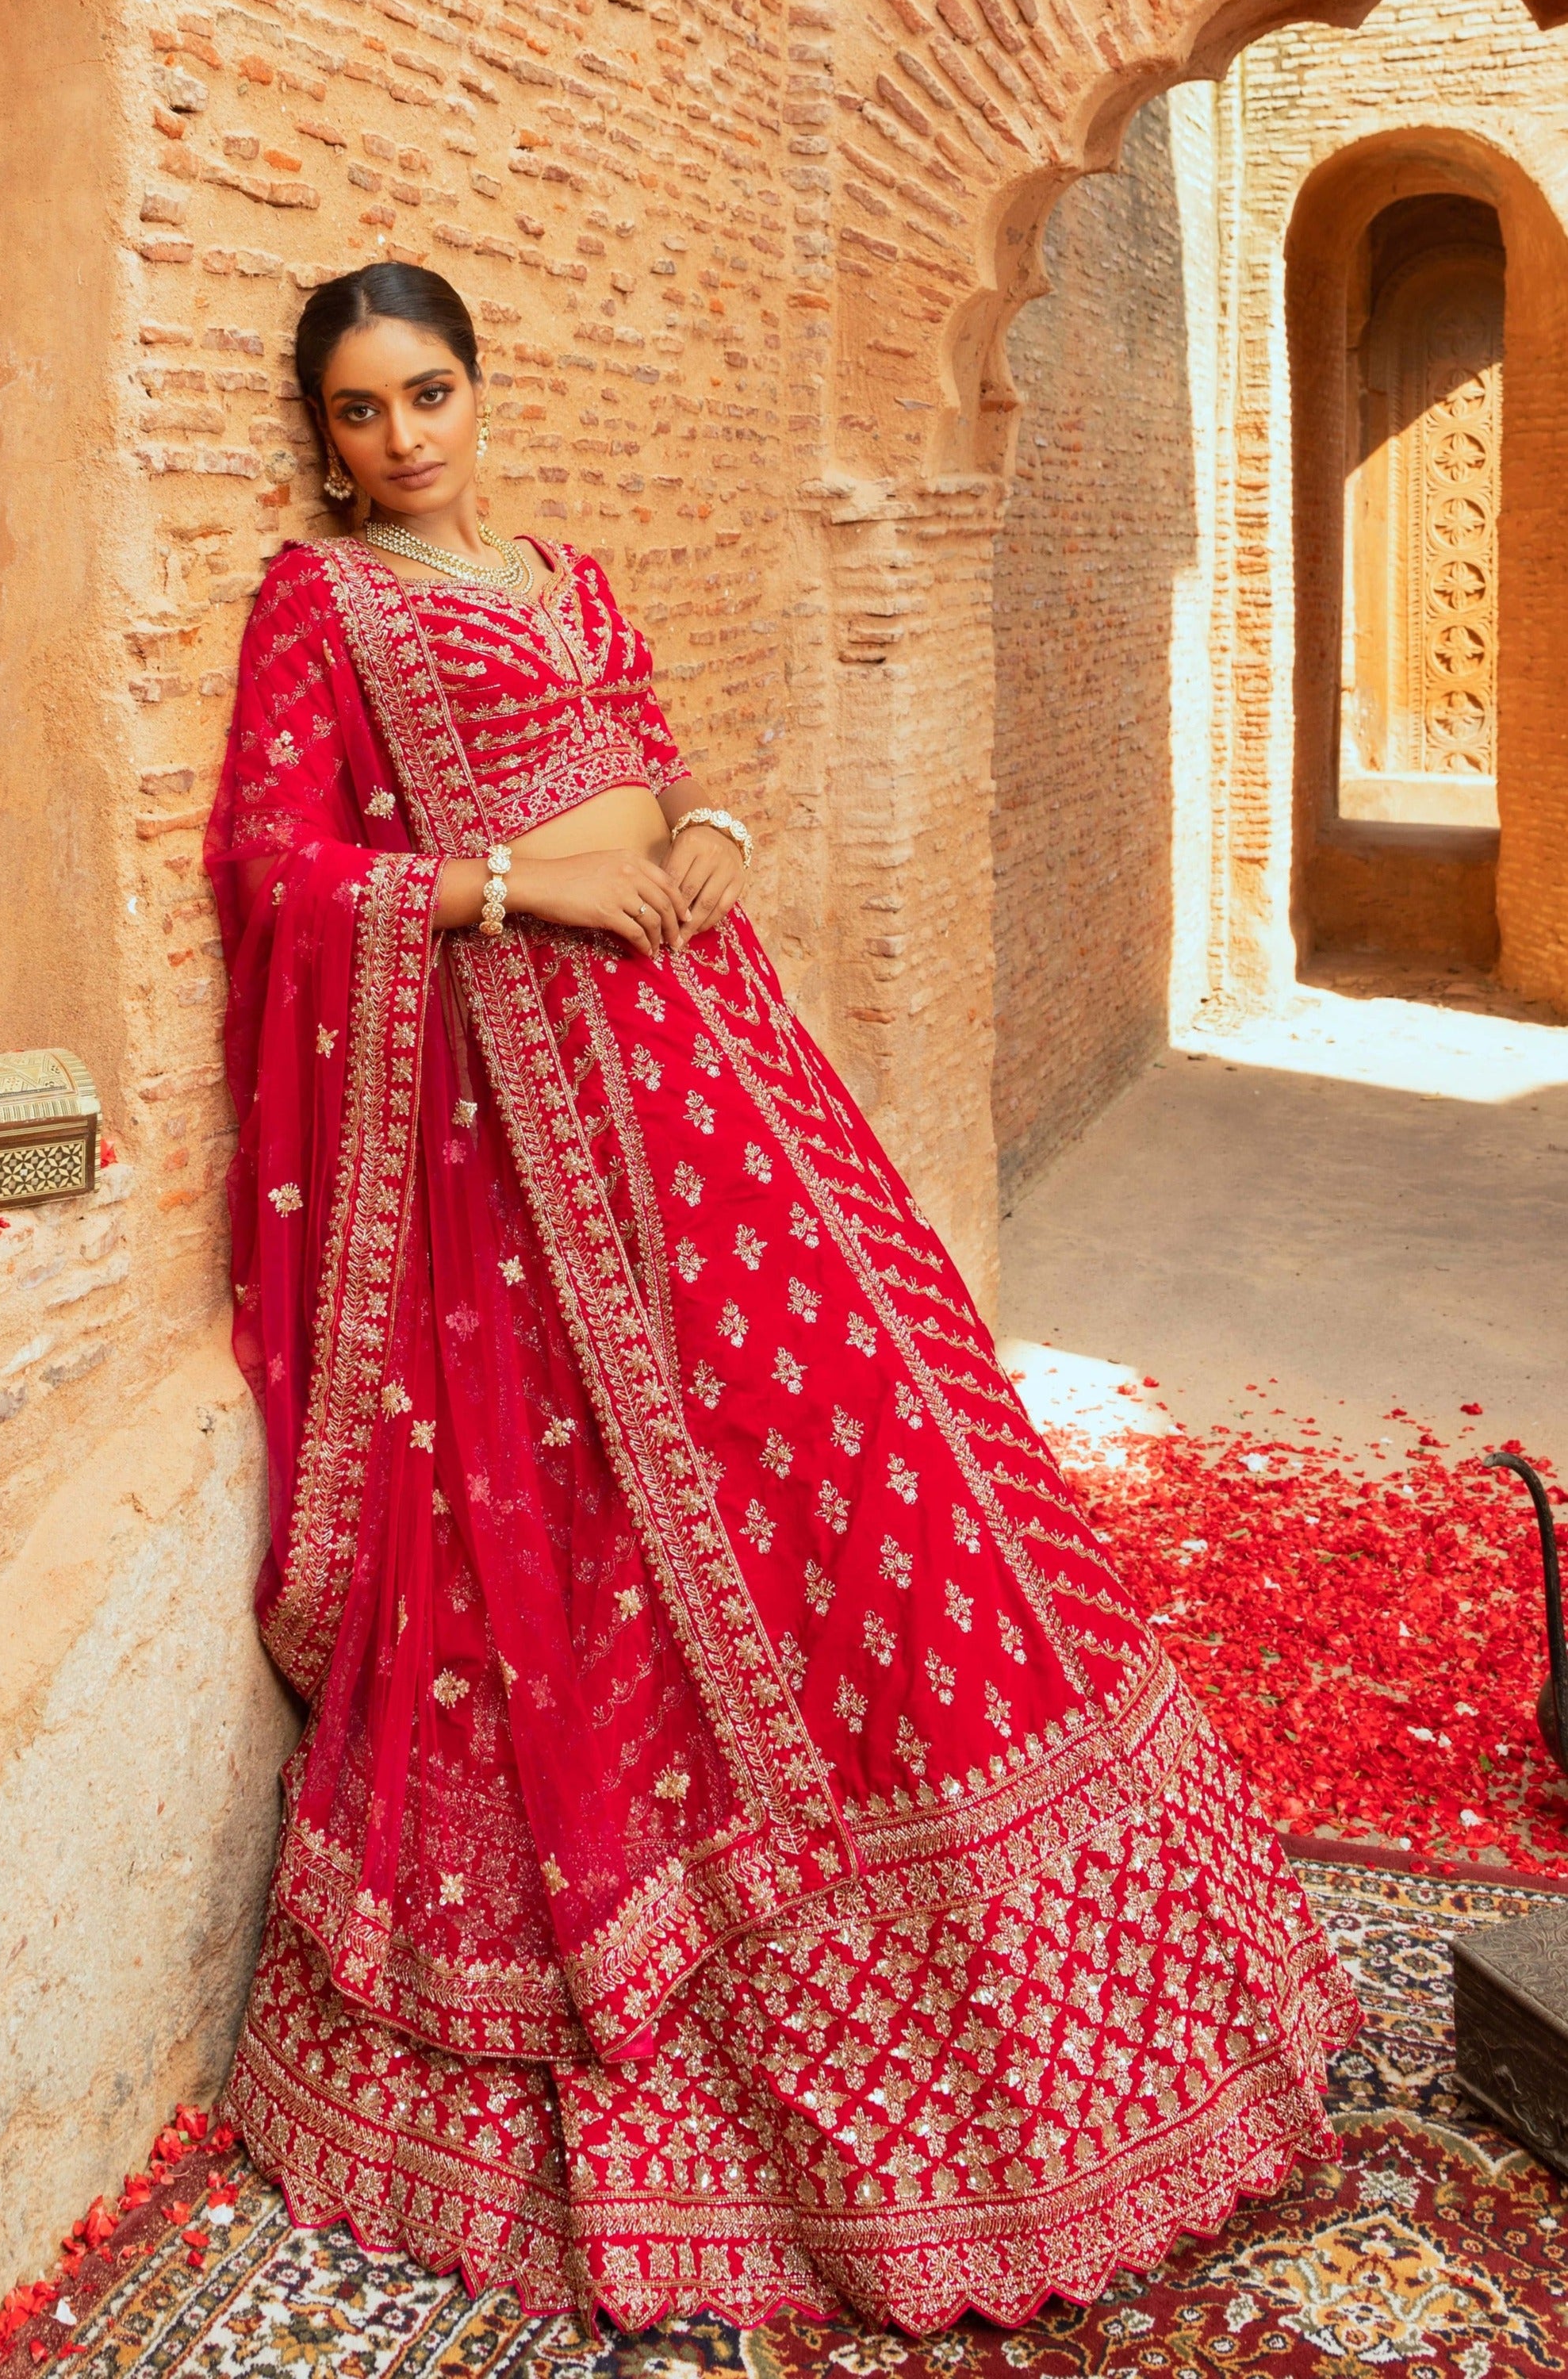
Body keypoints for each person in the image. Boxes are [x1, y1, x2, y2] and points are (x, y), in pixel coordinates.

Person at [206, 262, 1358, 2333]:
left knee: (892, 1443)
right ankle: (736, 2011)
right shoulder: (326, 609)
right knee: (654, 1528)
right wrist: (506, 885)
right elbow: (273, 865)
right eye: (363, 413)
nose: (402, 439)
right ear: (324, 436)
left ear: (484, 385)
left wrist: (710, 826)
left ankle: (1069, 2018)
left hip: (705, 1060)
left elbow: (647, 748)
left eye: (430, 391)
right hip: (520, 1129)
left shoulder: (570, 569)